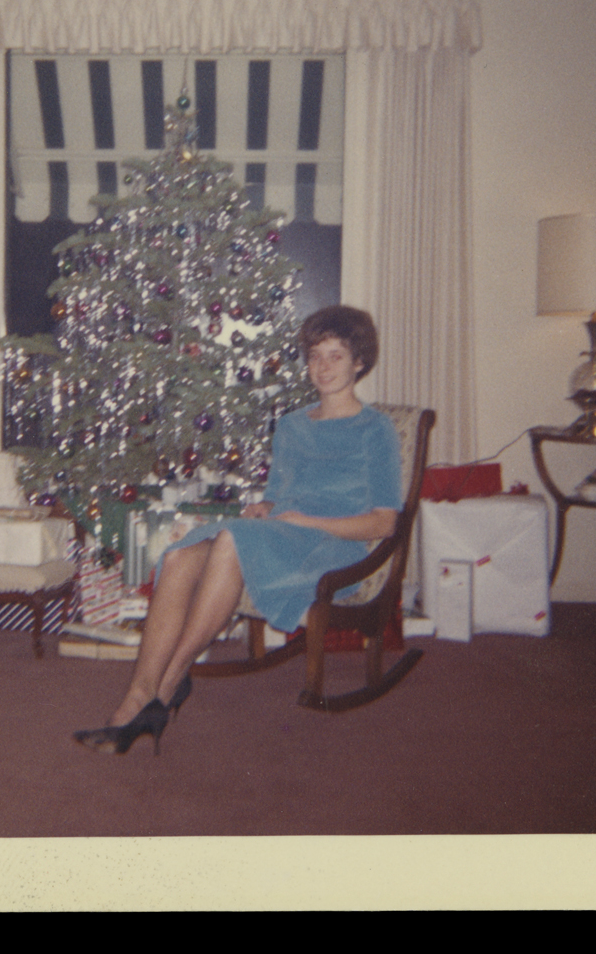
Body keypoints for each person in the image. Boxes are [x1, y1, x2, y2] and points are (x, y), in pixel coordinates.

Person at [73, 305, 402, 755]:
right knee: (180, 555)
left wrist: (306, 521)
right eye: (315, 356)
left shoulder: (375, 429)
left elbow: (384, 521)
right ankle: (137, 694)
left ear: (359, 362)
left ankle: (167, 687)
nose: (323, 367)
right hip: (285, 535)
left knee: (229, 540)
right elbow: (279, 495)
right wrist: (266, 507)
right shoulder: (292, 425)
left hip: (332, 549)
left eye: (336, 356)